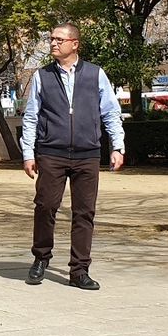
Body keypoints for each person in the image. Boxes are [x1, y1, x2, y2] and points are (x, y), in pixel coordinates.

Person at [20, 23, 125, 291]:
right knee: (45, 206)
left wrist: (117, 146)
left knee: (84, 213)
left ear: (74, 44)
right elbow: (31, 117)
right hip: (51, 153)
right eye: (51, 39)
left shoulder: (95, 74)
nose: (53, 43)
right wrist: (28, 153)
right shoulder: (42, 76)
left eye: (59, 39)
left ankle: (79, 270)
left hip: (87, 154)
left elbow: (111, 112)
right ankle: (41, 258)